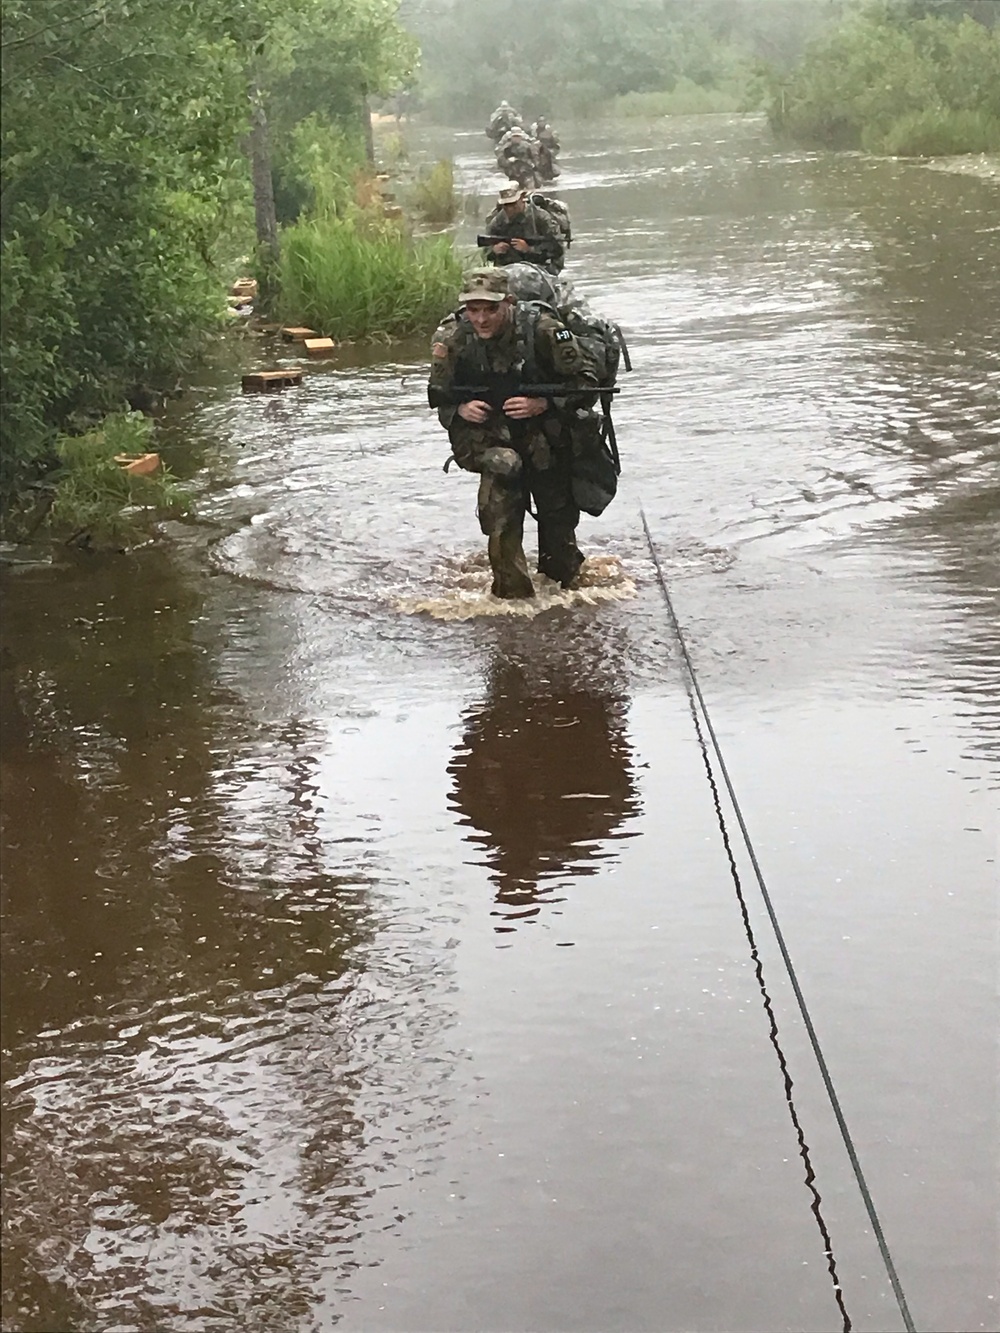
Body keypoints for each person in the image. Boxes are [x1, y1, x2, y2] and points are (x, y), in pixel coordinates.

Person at [429, 268, 599, 599]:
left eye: (490, 309)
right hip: (488, 437)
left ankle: (562, 596)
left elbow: (588, 382)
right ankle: (512, 597)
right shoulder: (452, 338)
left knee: (560, 549)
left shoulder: (544, 331)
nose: (480, 319)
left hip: (543, 435)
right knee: (504, 470)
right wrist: (459, 409)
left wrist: (544, 403)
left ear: (508, 302)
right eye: (473, 310)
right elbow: (438, 394)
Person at [480, 184, 566, 275]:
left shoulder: (540, 218)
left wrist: (528, 249)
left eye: (513, 204)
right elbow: (484, 251)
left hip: (540, 267)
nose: (509, 209)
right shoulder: (498, 221)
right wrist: (494, 250)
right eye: (506, 205)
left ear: (522, 198)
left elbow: (557, 249)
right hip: (508, 268)